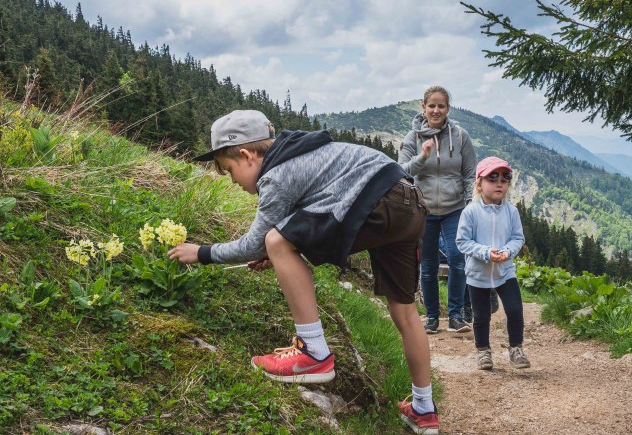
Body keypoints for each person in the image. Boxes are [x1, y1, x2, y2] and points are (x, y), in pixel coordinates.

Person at [167, 110, 439, 434]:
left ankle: (313, 352)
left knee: (274, 240)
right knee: (405, 313)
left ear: (246, 154)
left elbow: (257, 242)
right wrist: (282, 248)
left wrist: (201, 252)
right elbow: (316, 207)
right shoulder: (304, 152)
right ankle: (424, 410)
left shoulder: (276, 174)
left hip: (377, 204)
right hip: (409, 204)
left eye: (229, 171)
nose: (234, 182)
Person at [399, 86, 476, 334]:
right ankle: (432, 318)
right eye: (431, 105)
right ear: (423, 108)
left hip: (455, 209)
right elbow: (402, 171)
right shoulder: (413, 138)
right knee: (429, 265)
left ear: (447, 109)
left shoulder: (461, 136)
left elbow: (470, 175)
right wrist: (422, 157)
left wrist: (469, 206)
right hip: (424, 210)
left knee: (457, 258)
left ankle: (455, 316)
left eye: (440, 106)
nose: (436, 110)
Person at [456, 156, 531, 370]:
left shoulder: (511, 211)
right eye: (492, 177)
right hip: (478, 274)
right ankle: (483, 351)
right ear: (479, 183)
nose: (499, 182)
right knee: (481, 315)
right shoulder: (470, 211)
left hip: (505, 271)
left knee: (515, 310)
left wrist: (508, 251)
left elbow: (518, 238)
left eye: (505, 178)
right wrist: (487, 252)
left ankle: (516, 349)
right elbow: (462, 242)